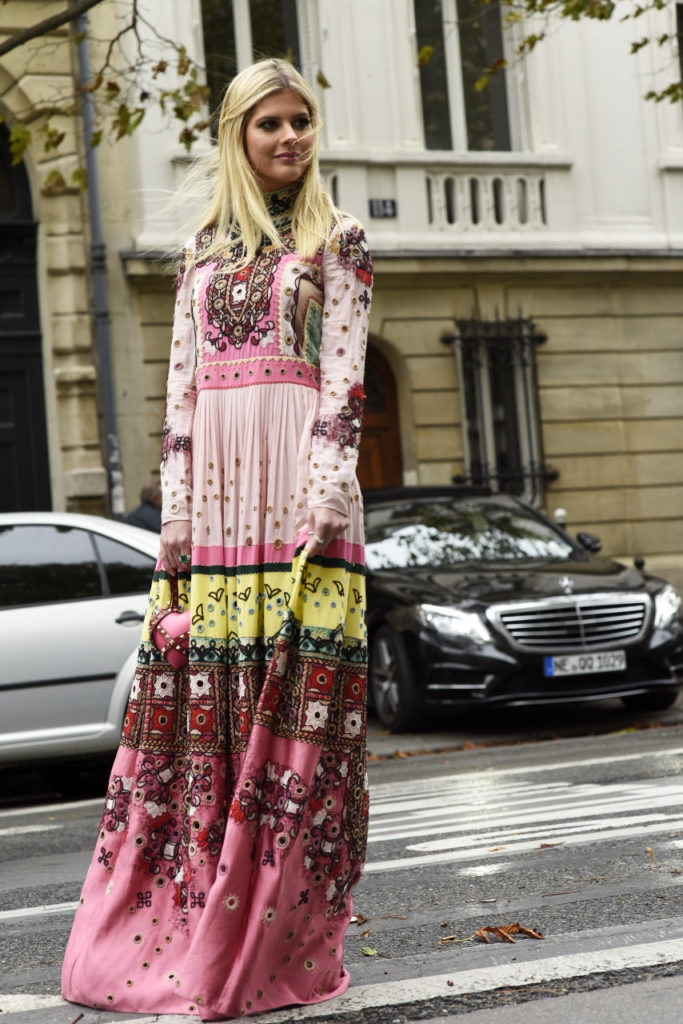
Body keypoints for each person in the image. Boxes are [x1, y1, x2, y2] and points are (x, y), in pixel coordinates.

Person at [61, 58, 373, 1020]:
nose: (289, 138)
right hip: (218, 505)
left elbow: (344, 376)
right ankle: (202, 914)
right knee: (215, 718)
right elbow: (181, 393)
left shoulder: (339, 239)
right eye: (269, 123)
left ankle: (281, 937)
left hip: (299, 499)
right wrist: (178, 521)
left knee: (296, 722)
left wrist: (325, 493)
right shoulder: (199, 250)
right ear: (238, 135)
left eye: (300, 121)